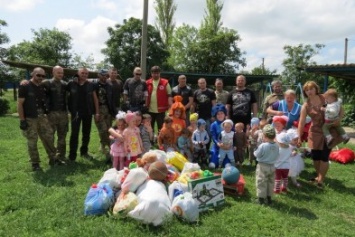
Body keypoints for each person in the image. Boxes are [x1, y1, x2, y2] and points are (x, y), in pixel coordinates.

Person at [297, 81, 343, 188]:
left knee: (324, 156)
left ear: (316, 89)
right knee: (315, 157)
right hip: (315, 132)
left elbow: (341, 109)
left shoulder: (325, 98)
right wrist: (299, 137)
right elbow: (301, 122)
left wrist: (339, 119)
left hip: (329, 130)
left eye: (311, 89)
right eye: (307, 90)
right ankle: (319, 176)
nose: (309, 91)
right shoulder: (306, 105)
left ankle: (320, 181)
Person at [17, 67, 58, 171]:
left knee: (48, 136)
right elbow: (20, 104)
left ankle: (53, 158)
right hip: (30, 118)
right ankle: (35, 163)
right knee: (32, 140)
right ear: (32, 74)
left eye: (43, 76)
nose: (40, 77)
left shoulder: (42, 86)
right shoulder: (25, 86)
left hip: (41, 116)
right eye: (38, 75)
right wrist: (22, 120)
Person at [67, 67, 99, 161]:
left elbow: (95, 99)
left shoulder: (91, 85)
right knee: (74, 134)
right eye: (82, 73)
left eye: (86, 73)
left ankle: (84, 152)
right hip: (75, 113)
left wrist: (97, 112)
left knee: (86, 133)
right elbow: (65, 97)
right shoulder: (71, 84)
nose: (84, 75)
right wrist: (67, 111)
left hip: (88, 113)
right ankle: (72, 155)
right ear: (78, 73)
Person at [41, 66, 68, 163]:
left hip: (63, 114)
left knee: (62, 136)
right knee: (50, 136)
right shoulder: (46, 83)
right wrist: (24, 81)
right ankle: (52, 157)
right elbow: (33, 84)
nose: (60, 74)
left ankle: (61, 156)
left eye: (62, 73)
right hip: (51, 114)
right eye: (58, 72)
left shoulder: (65, 84)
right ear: (53, 72)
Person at [254, 124, 279, 205]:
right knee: (271, 182)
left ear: (264, 136)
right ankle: (269, 198)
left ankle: (261, 199)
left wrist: (255, 151)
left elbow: (257, 154)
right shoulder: (276, 145)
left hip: (263, 166)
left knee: (261, 181)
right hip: (272, 166)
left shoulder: (263, 145)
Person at [94, 69, 116, 158]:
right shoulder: (94, 84)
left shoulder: (109, 85)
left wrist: (113, 112)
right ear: (98, 75)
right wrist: (96, 112)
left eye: (106, 75)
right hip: (99, 110)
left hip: (108, 110)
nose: (104, 77)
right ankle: (110, 148)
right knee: (102, 130)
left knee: (108, 129)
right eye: (102, 75)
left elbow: (111, 99)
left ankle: (103, 146)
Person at [146, 66, 173, 134]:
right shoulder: (147, 82)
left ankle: (160, 140)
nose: (156, 74)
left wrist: (170, 106)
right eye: (154, 73)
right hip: (150, 109)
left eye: (157, 73)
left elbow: (169, 94)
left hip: (161, 110)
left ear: (160, 73)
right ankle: (150, 140)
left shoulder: (165, 82)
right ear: (151, 73)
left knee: (161, 126)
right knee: (149, 125)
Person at [209, 103, 228, 168]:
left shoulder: (228, 123)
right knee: (214, 153)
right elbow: (213, 136)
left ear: (225, 114)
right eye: (218, 114)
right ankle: (213, 162)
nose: (220, 115)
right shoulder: (213, 125)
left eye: (222, 113)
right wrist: (217, 143)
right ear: (215, 115)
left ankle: (226, 162)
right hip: (217, 145)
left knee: (226, 153)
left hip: (226, 144)